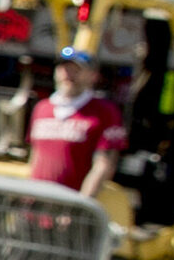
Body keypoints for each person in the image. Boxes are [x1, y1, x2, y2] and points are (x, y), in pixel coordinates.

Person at [28, 47, 131, 197]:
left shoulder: (104, 111)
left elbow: (103, 165)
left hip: (71, 207)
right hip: (36, 204)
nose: (68, 74)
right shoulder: (42, 108)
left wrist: (81, 205)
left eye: (76, 70)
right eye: (64, 68)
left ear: (93, 76)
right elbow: (35, 156)